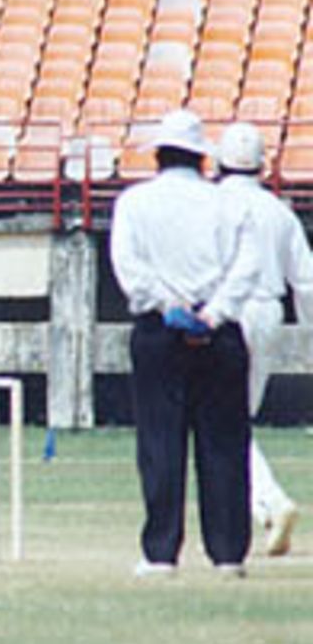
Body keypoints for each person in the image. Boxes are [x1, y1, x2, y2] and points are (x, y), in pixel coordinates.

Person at [110, 109, 259, 577]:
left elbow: (129, 266)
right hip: (220, 331)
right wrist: (213, 313)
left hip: (160, 331)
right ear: (201, 158)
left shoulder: (134, 202)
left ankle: (160, 552)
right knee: (224, 444)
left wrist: (168, 304)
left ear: (158, 155)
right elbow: (246, 267)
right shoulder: (229, 204)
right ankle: (228, 553)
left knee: (160, 441)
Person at [216, 122, 307, 556]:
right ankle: (263, 509)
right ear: (261, 166)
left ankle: (270, 501)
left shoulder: (212, 205)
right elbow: (305, 279)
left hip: (228, 309)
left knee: (224, 420)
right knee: (236, 417)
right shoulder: (279, 211)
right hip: (269, 309)